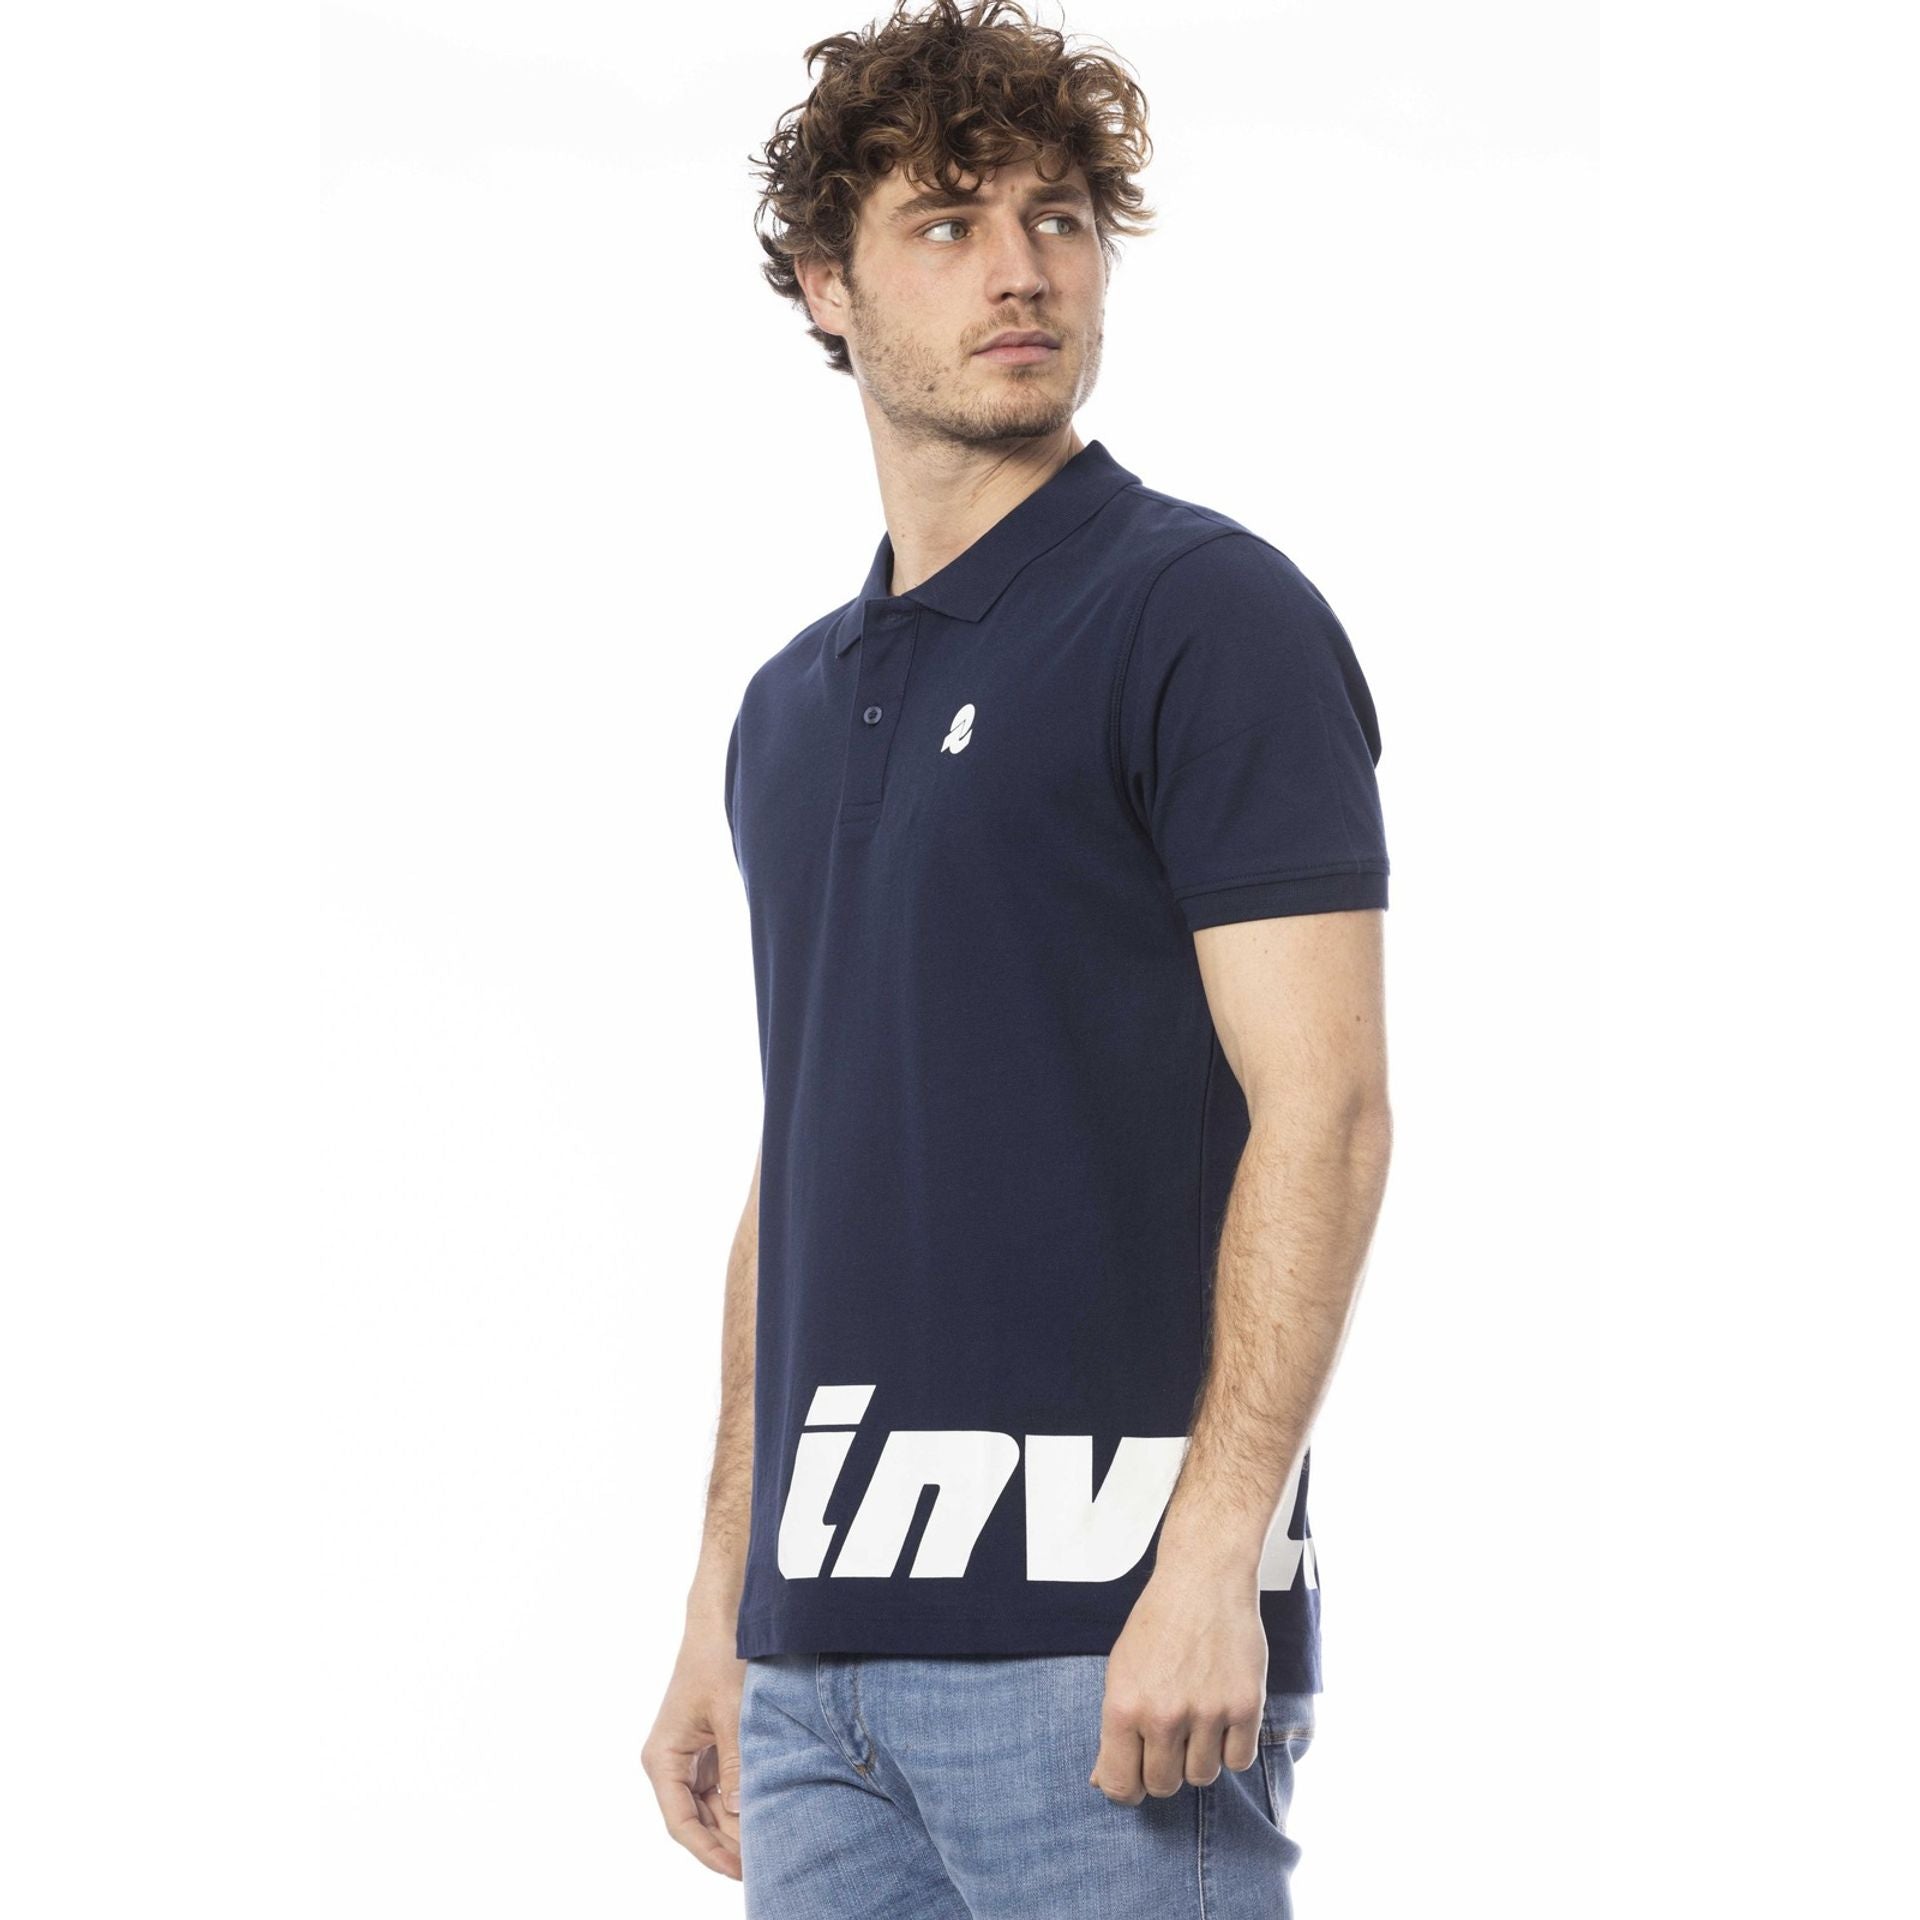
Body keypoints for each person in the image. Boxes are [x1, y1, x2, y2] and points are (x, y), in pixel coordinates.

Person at [642, 4, 1392, 1912]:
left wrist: (1215, 1559)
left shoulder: (1203, 616)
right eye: (948, 223)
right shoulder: (785, 711)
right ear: (827, 286)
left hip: (1109, 1657)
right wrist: (727, 1601)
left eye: (1060, 219)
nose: (1022, 271)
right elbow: (804, 1164)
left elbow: (1325, 1106)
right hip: (818, 1682)